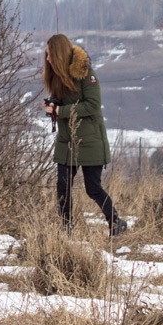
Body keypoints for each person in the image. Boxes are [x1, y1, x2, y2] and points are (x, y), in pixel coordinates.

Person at [41, 33, 127, 236]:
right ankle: (66, 229)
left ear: (59, 54)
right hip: (66, 140)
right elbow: (65, 101)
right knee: (63, 187)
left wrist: (61, 111)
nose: (47, 59)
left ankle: (116, 222)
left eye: (50, 54)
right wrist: (53, 104)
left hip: (90, 140)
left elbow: (93, 105)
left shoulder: (85, 74)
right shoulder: (56, 76)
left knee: (93, 188)